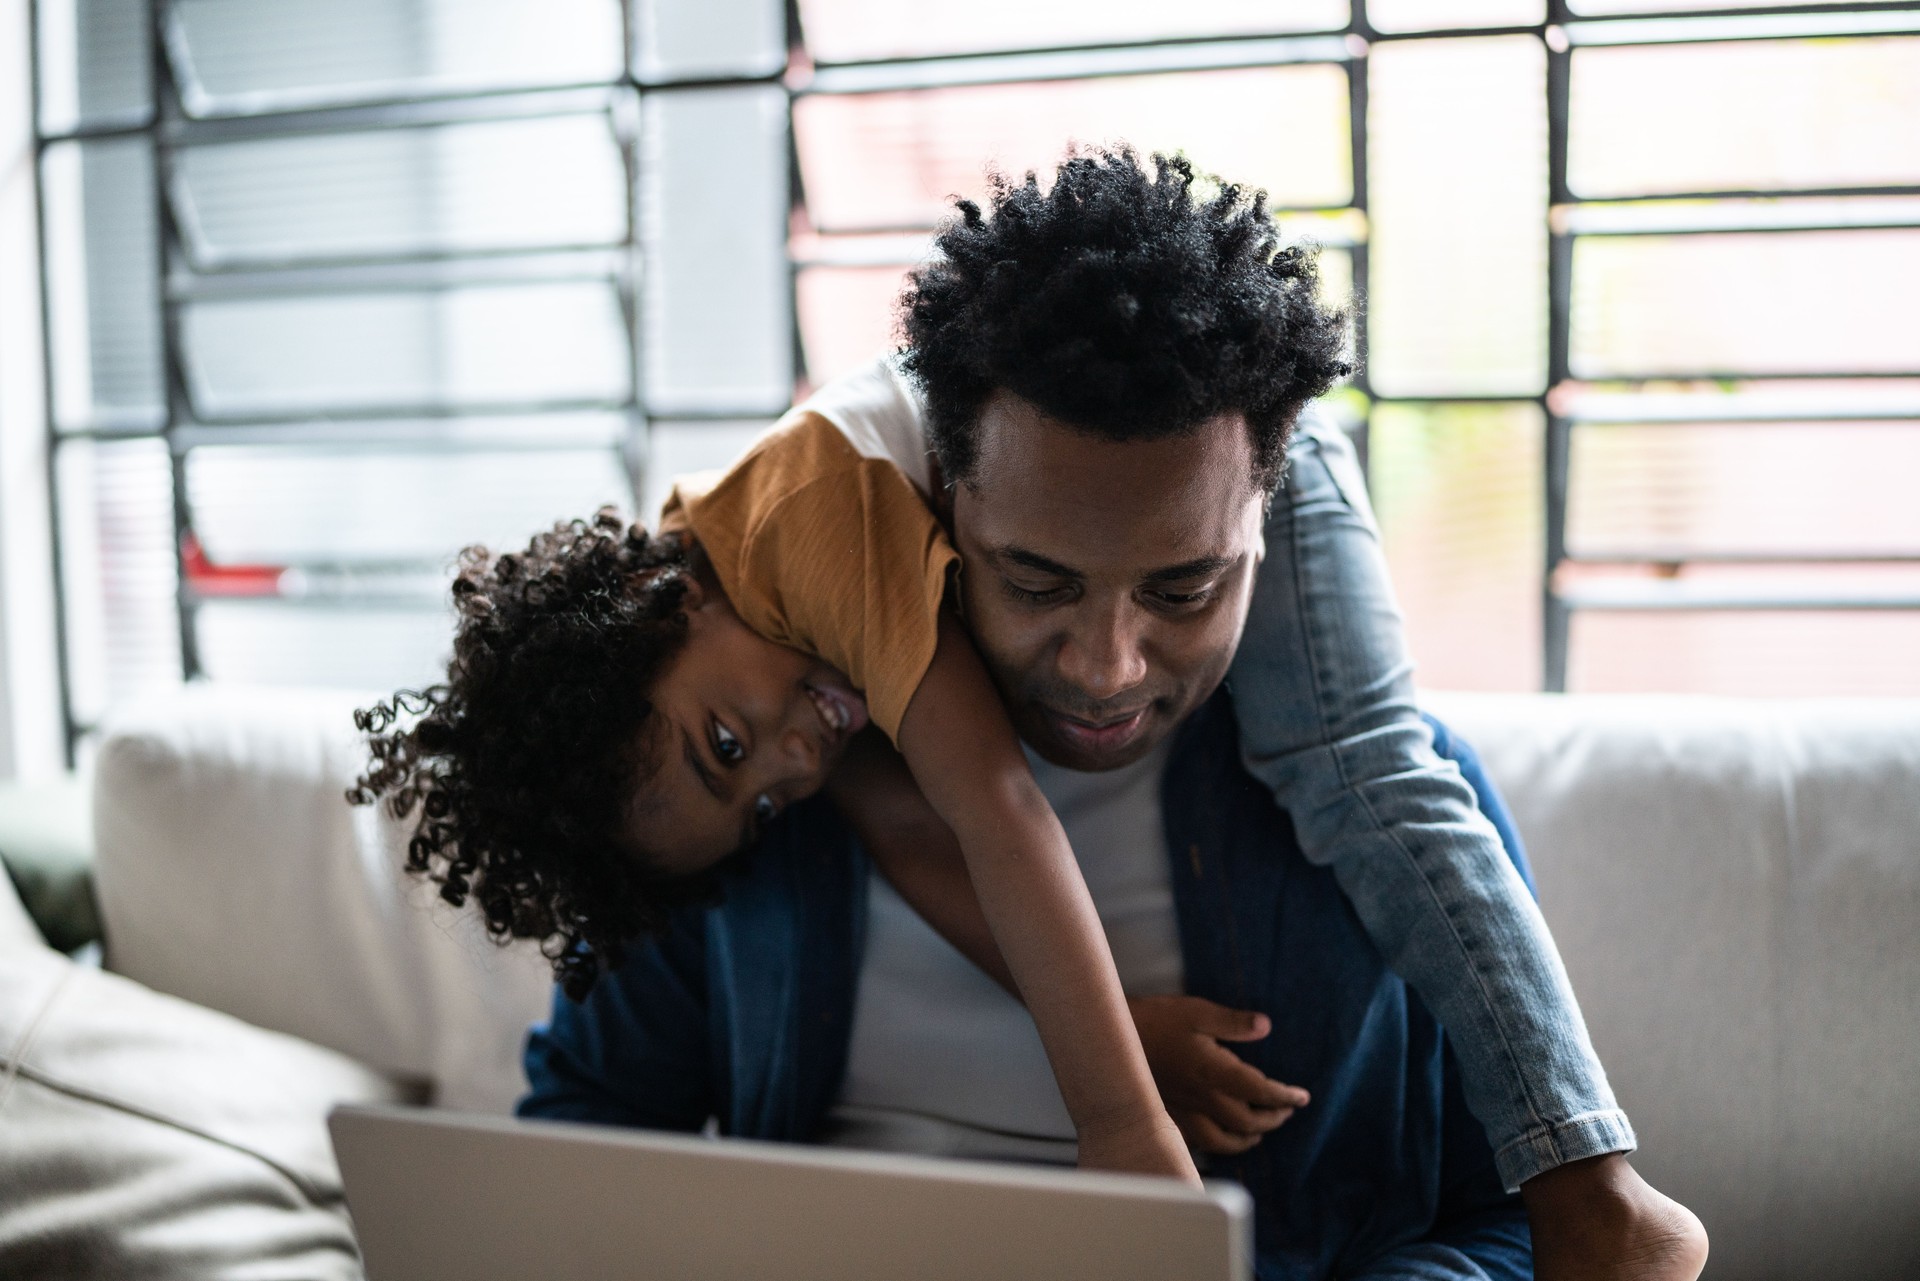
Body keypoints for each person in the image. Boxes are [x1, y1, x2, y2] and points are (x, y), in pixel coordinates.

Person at [361, 147, 1708, 1278]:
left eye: (1186, 587)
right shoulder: (747, 780)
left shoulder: (1372, 809)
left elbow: (1499, 1232)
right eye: (1038, 582)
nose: (1111, 664)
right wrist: (1122, 1051)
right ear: (946, 505)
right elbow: (589, 1130)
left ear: (1265, 527)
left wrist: (1134, 1144)